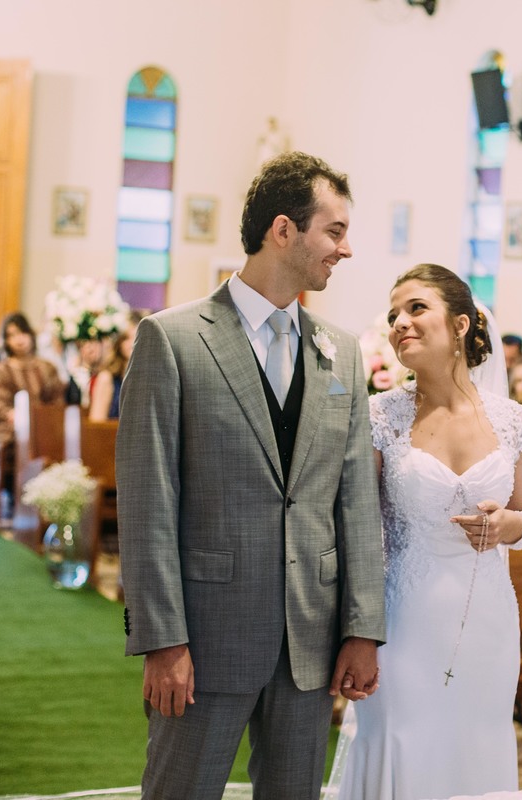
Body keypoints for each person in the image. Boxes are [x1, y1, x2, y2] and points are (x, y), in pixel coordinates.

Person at [116, 151, 385, 800]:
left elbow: (355, 502)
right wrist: (163, 641)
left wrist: (362, 628)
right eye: (336, 231)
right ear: (283, 231)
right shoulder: (173, 340)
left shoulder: (341, 351)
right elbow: (149, 502)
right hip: (206, 638)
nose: (346, 250)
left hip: (310, 642)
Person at [336, 264, 522, 799]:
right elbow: (356, 527)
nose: (400, 323)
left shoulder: (513, 420)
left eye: (416, 308)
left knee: (476, 745)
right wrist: (354, 631)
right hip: (404, 621)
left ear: (461, 324)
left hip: (488, 621)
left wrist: (505, 526)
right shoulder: (380, 416)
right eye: (393, 315)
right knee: (402, 743)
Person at [0, 312, 64, 485]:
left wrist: (44, 422)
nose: (19, 340)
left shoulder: (47, 367)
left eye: (22, 333)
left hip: (44, 426)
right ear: (6, 341)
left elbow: (56, 401)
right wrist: (18, 417)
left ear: (30, 335)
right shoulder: (1, 369)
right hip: (12, 427)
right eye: (12, 335)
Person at [89, 310, 146, 421]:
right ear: (119, 343)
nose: (132, 343)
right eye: (127, 338)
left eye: (137, 337)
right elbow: (97, 423)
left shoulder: (149, 378)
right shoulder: (107, 378)